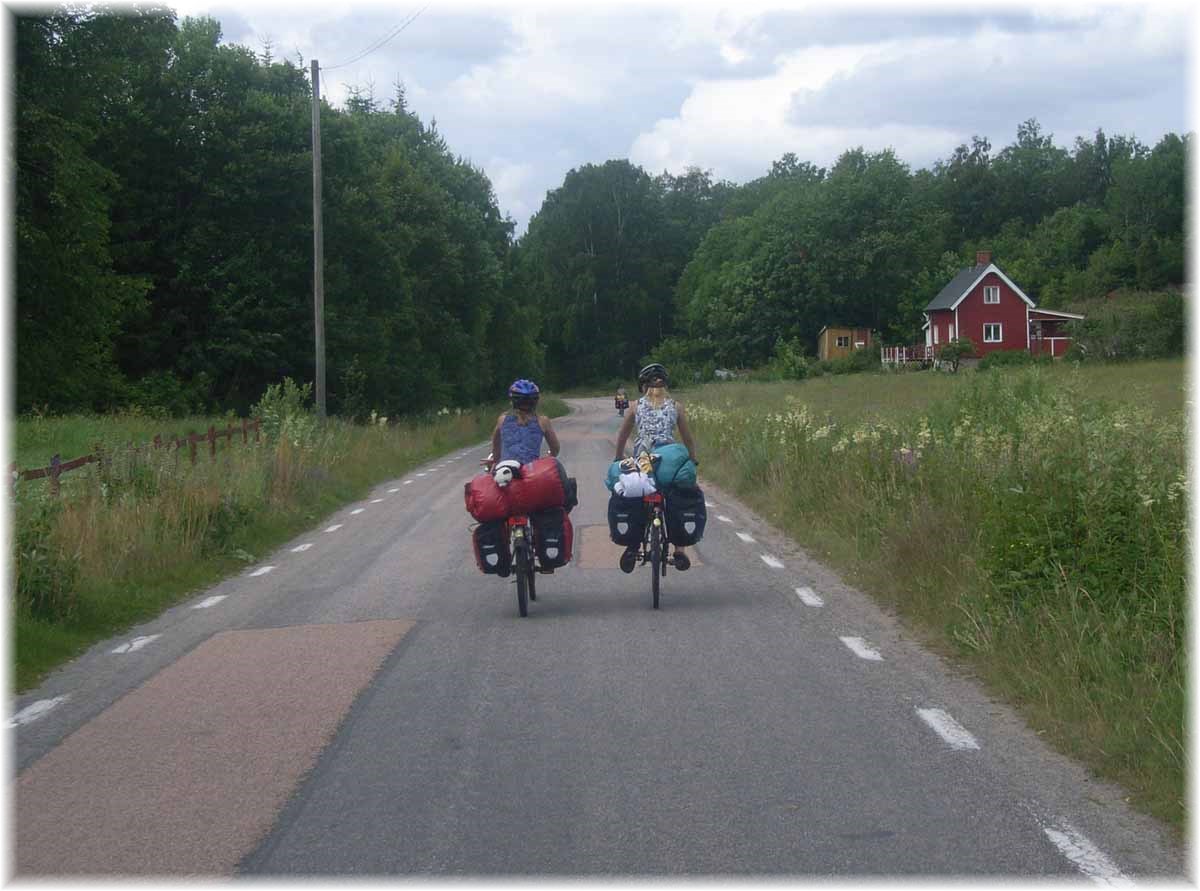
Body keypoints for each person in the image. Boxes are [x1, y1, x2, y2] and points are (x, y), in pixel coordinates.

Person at [612, 362, 697, 572]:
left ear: (643, 386)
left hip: (643, 460)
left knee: (636, 497)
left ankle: (632, 546)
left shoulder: (634, 406)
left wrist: (617, 457)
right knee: (677, 497)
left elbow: (622, 435)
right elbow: (687, 439)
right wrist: (692, 459)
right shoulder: (676, 406)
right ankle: (680, 549)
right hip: (669, 460)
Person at [490, 379, 561, 467]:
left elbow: (496, 445)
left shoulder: (502, 420)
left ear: (512, 401)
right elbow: (555, 448)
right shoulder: (543, 421)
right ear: (535, 401)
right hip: (532, 471)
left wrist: (496, 460)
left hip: (507, 469)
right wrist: (548, 458)